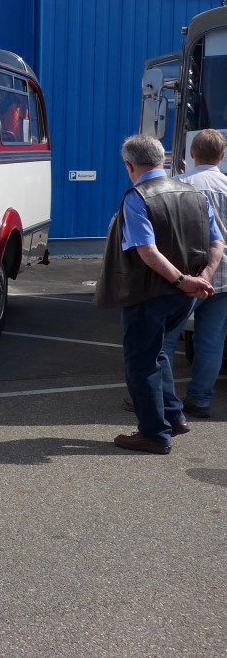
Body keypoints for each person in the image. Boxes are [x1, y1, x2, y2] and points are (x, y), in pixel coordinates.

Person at [94, 134, 224, 454]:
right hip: (186, 293)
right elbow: (217, 243)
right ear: (163, 160)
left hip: (150, 292)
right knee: (159, 353)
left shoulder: (138, 197)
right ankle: (174, 415)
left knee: (142, 362)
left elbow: (147, 252)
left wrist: (182, 280)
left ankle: (154, 433)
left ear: (130, 166)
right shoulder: (193, 193)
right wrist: (201, 278)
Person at [160, 129, 227, 417]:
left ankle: (161, 398)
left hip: (183, 277)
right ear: (222, 156)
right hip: (223, 278)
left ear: (191, 154)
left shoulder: (175, 185)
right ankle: (199, 399)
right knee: (211, 341)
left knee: (165, 339)